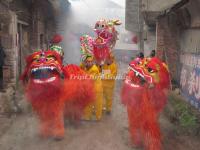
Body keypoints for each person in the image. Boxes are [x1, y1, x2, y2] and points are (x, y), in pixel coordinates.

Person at [81, 55, 103, 121]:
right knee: (88, 103)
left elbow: (90, 78)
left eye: (90, 61)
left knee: (97, 104)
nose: (89, 63)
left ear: (92, 62)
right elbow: (80, 68)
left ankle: (98, 117)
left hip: (97, 89)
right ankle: (87, 117)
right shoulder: (86, 67)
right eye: (87, 61)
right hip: (90, 89)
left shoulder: (94, 69)